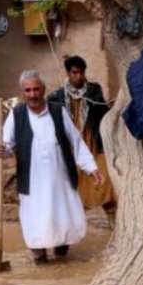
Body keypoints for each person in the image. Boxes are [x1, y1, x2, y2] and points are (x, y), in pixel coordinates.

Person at [0, 70, 104, 263]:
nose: (33, 94)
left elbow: (76, 142)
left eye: (36, 89)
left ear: (43, 90)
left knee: (62, 218)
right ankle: (40, 258)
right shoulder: (16, 116)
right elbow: (6, 146)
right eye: (28, 90)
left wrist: (91, 168)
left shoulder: (58, 111)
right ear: (22, 92)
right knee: (35, 220)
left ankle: (61, 255)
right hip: (32, 180)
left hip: (59, 180)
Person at [46, 56, 118, 228]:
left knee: (105, 179)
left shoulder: (94, 91)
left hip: (93, 142)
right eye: (75, 73)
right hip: (70, 147)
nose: (79, 76)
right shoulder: (56, 96)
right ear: (68, 73)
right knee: (73, 184)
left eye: (81, 72)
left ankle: (112, 220)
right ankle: (72, 225)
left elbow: (103, 115)